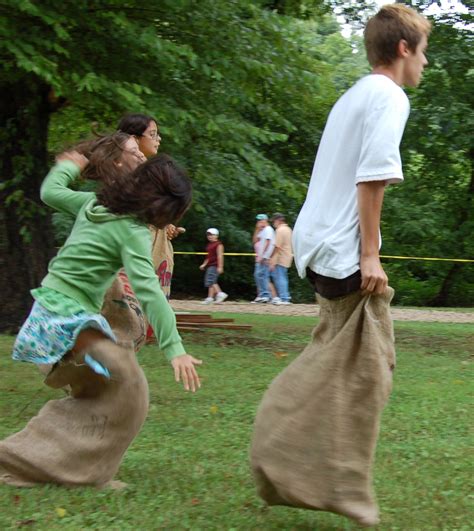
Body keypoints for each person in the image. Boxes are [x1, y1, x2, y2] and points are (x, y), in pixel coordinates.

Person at [251, 4, 430, 527]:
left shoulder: (355, 95)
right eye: (423, 53)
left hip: (320, 244)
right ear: (403, 49)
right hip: (341, 249)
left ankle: (325, 475)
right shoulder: (388, 96)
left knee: (353, 357)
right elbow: (371, 177)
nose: (425, 64)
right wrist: (369, 254)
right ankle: (327, 475)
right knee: (369, 366)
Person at [13, 133, 201, 391]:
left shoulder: (93, 203)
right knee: (109, 363)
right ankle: (75, 363)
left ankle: (71, 363)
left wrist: (69, 165)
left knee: (100, 360)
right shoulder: (133, 231)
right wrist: (175, 348)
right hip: (74, 312)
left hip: (47, 302)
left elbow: (50, 193)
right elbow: (148, 290)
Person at [269, 213, 293, 305]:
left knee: (280, 278)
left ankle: (284, 297)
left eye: (274, 221)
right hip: (287, 256)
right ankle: (285, 296)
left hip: (280, 257)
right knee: (283, 277)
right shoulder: (288, 229)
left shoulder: (279, 230)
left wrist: (271, 257)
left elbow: (277, 246)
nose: (273, 223)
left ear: (278, 220)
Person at [199, 228, 228, 304]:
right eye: (208, 235)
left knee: (211, 281)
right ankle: (210, 297)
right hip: (210, 265)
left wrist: (220, 266)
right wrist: (204, 264)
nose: (210, 236)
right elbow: (208, 257)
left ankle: (220, 293)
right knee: (211, 281)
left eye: (212, 235)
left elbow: (220, 256)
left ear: (216, 236)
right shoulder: (209, 245)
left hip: (215, 265)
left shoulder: (219, 244)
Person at [252, 214, 275, 303]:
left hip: (264, 257)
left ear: (266, 221)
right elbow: (254, 241)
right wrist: (257, 229)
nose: (260, 223)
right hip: (261, 256)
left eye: (262, 221)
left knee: (262, 276)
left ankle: (265, 295)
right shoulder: (262, 231)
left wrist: (262, 255)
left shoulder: (268, 230)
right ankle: (262, 294)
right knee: (259, 275)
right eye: (259, 221)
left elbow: (268, 242)